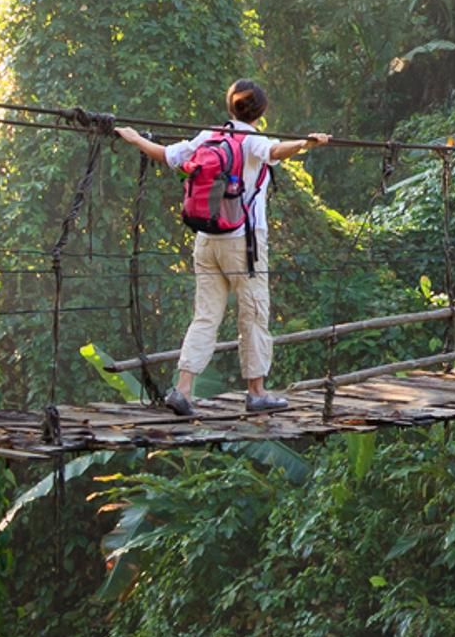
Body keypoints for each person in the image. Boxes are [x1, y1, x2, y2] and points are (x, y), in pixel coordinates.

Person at [116, 79, 330, 416]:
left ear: (230, 106)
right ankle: (257, 392)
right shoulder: (252, 139)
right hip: (243, 242)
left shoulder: (209, 136)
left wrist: (134, 137)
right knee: (254, 313)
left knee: (205, 316)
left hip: (206, 240)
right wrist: (306, 143)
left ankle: (183, 389)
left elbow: (167, 156)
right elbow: (275, 152)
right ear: (261, 111)